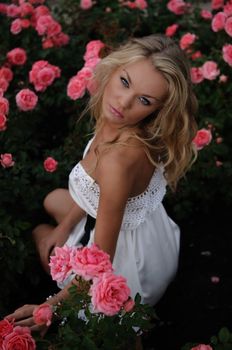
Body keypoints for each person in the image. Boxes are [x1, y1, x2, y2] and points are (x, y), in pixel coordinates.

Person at [6, 34, 198, 332]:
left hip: (126, 268)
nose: (123, 102)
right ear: (114, 68)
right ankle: (62, 229)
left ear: (157, 110)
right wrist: (64, 226)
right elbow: (94, 192)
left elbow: (100, 261)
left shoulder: (118, 162)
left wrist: (49, 308)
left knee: (38, 232)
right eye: (125, 82)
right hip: (146, 236)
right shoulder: (126, 124)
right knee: (53, 201)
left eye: (144, 100)